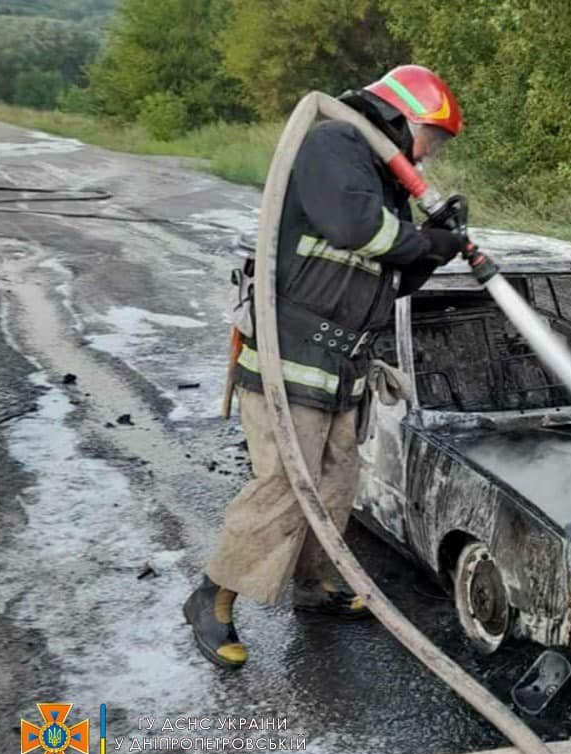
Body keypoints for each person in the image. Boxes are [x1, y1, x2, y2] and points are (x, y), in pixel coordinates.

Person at [183, 65, 465, 668]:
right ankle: (214, 596)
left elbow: (397, 273)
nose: (432, 155)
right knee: (287, 487)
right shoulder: (334, 145)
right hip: (293, 358)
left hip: (342, 365)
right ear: (402, 116)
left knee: (336, 483)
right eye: (432, 138)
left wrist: (436, 244)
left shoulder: (383, 184)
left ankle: (315, 587)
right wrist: (425, 241)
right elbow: (355, 228)